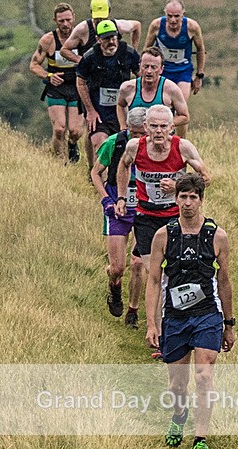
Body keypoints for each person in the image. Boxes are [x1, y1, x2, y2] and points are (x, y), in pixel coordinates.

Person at [145, 174, 235, 449]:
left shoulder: (217, 236)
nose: (187, 203)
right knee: (177, 383)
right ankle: (179, 414)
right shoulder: (163, 235)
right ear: (176, 200)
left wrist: (229, 324)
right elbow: (154, 281)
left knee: (204, 375)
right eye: (182, 197)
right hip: (175, 315)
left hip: (208, 313)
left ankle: (200, 437)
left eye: (192, 197)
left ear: (200, 199)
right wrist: (151, 323)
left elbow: (225, 281)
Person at [115, 104, 209, 356]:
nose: (158, 131)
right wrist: (122, 197)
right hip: (146, 217)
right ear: (145, 128)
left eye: (163, 126)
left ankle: (175, 327)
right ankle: (158, 333)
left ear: (172, 127)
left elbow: (205, 179)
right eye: (153, 126)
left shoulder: (183, 147)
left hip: (175, 219)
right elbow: (123, 166)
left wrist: (178, 185)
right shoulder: (135, 147)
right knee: (154, 274)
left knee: (176, 275)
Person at [60, 0, 141, 165]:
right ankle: (93, 170)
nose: (111, 41)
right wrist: (81, 61)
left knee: (122, 142)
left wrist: (134, 51)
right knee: (95, 134)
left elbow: (137, 26)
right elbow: (65, 50)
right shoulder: (83, 29)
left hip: (119, 92)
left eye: (113, 38)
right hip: (93, 83)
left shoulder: (120, 29)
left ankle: (116, 175)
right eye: (96, 18)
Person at [91, 107, 147, 327]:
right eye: (132, 133)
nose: (136, 139)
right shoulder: (114, 142)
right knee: (117, 267)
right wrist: (106, 200)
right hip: (117, 207)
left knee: (137, 263)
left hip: (143, 209)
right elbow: (96, 173)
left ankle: (132, 311)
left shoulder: (155, 147)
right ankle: (114, 287)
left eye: (140, 135)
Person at [29, 3, 84, 163]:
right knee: (59, 128)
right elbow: (33, 65)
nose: (65, 24)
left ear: (73, 17)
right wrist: (48, 75)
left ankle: (72, 144)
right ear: (55, 20)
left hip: (77, 88)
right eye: (61, 21)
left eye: (68, 19)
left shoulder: (82, 37)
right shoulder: (48, 40)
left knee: (75, 130)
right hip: (56, 88)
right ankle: (61, 162)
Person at [76, 19, 140, 154]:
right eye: (106, 38)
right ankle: (95, 172)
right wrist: (90, 111)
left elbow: (141, 77)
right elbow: (80, 82)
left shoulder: (128, 53)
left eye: (113, 37)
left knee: (123, 149)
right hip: (99, 112)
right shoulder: (89, 57)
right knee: (100, 144)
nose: (111, 41)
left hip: (123, 111)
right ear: (98, 39)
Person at [144, 1, 206, 136]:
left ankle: (180, 141)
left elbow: (200, 49)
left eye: (177, 16)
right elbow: (146, 50)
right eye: (169, 16)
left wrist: (199, 76)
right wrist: (145, 73)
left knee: (181, 107)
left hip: (183, 72)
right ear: (165, 14)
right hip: (162, 71)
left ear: (183, 14)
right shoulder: (156, 26)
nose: (173, 20)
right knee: (159, 108)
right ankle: (158, 137)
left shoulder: (192, 27)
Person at [116, 47, 189, 132]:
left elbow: (185, 117)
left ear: (161, 69)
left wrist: (162, 125)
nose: (149, 71)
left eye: (153, 67)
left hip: (161, 138)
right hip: (136, 139)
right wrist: (123, 126)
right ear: (140, 67)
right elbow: (120, 105)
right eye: (146, 66)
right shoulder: (127, 88)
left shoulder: (171, 89)